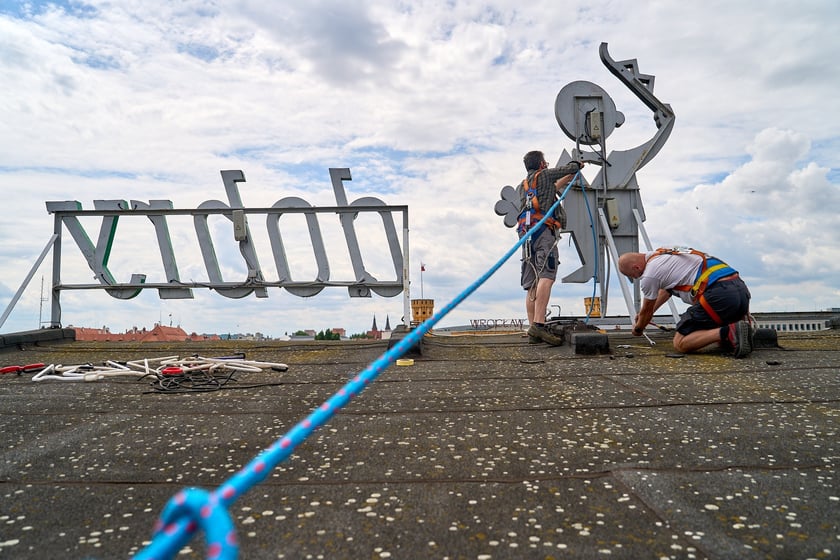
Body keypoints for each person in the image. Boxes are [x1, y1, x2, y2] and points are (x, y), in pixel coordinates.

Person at [617, 247, 754, 357]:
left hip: (718, 294)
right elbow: (665, 291)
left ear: (636, 268)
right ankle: (737, 331)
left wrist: (638, 328)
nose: (635, 278)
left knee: (681, 343)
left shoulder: (649, 275)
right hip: (740, 291)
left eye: (632, 276)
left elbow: (646, 312)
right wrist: (644, 315)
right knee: (719, 343)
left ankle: (729, 331)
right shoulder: (665, 254)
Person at [518, 150, 582, 345]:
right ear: (541, 164)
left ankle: (532, 329)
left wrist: (567, 179)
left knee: (532, 283)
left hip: (527, 235)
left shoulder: (523, 186)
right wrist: (577, 164)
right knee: (547, 275)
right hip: (544, 233)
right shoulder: (545, 174)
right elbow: (571, 167)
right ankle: (539, 325)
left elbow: (551, 187)